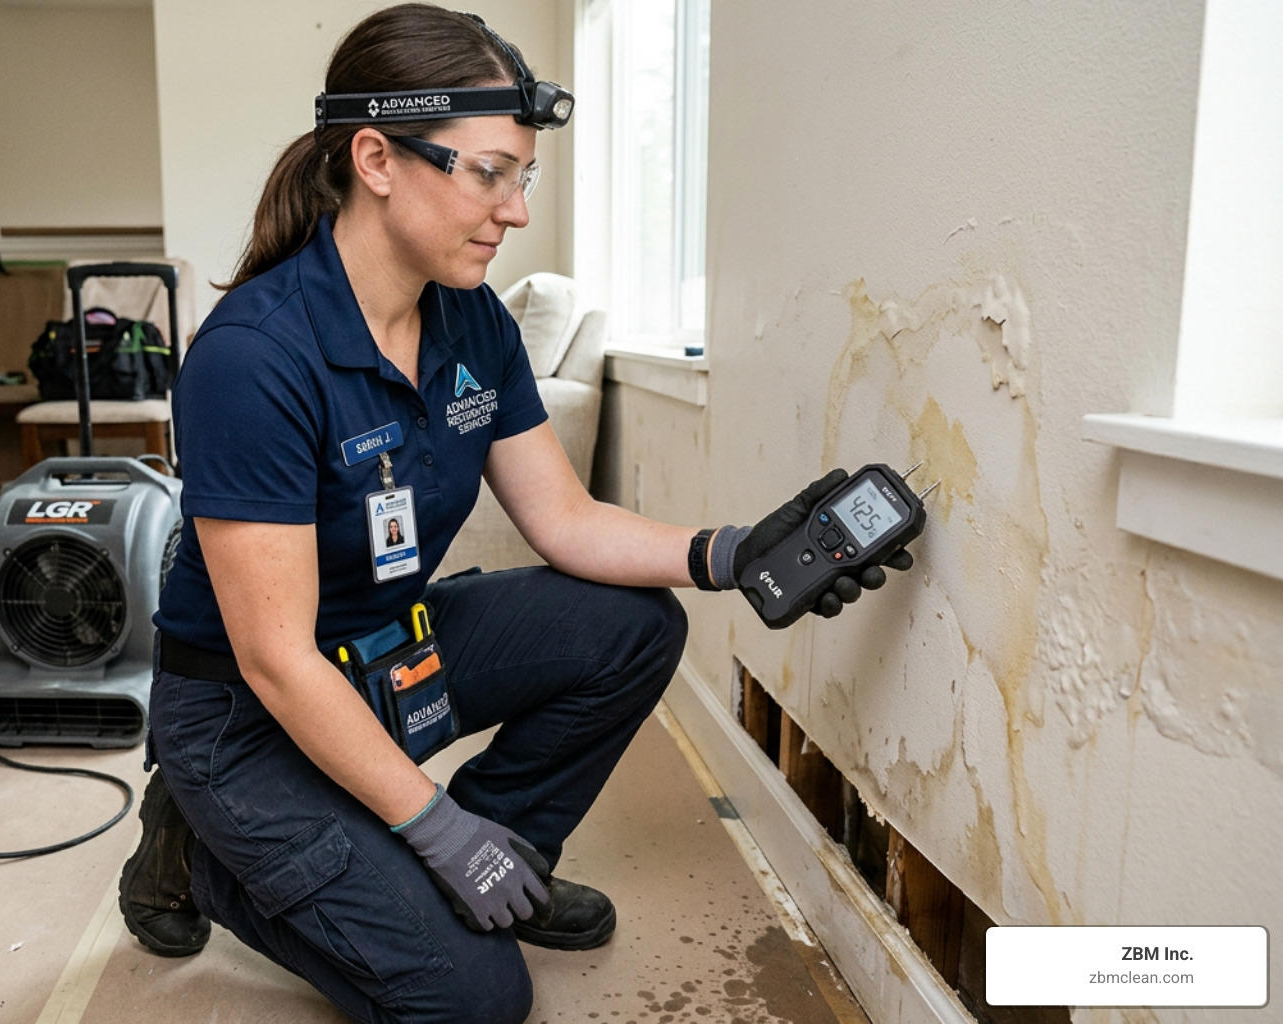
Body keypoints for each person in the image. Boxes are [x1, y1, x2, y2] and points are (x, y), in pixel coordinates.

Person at [116, 6, 911, 1023]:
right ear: (376, 157)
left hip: (382, 653)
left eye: (521, 175)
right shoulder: (254, 358)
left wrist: (728, 554)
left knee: (634, 623)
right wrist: (437, 827)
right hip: (250, 714)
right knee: (474, 1002)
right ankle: (206, 854)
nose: (515, 210)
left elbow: (564, 518)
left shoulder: (469, 315)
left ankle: (505, 863)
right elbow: (277, 660)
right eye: (487, 172)